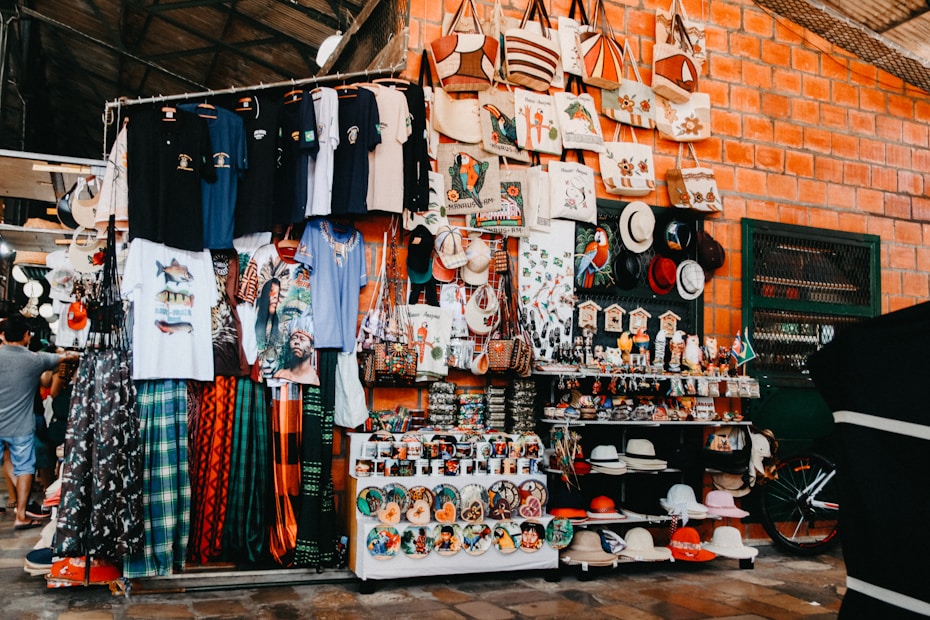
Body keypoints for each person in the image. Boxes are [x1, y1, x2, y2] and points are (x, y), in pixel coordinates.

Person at [0, 315, 78, 530]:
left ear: (3, 335)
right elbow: (66, 357)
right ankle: (21, 515)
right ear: (27, 336)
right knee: (24, 467)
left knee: (9, 462)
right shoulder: (35, 359)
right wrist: (70, 354)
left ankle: (17, 505)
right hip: (20, 427)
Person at [272, 315, 319, 385]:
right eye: (294, 338)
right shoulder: (280, 374)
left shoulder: (314, 378)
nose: (296, 342)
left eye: (302, 339)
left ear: (312, 348)